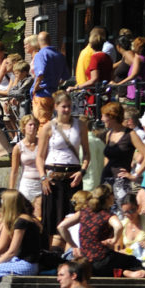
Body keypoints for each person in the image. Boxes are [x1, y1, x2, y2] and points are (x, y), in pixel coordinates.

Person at [36, 90, 91, 242]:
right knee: (51, 219)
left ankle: (70, 249)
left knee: (72, 216)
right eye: (64, 107)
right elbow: (40, 156)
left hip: (73, 175)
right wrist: (42, 177)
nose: (67, 110)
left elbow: (87, 154)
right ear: (56, 107)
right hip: (53, 175)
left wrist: (82, 171)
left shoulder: (80, 125)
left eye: (69, 106)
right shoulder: (48, 127)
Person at [31, 31, 68, 124]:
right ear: (50, 40)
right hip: (54, 94)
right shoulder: (59, 55)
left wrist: (36, 88)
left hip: (42, 95)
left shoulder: (40, 54)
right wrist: (55, 83)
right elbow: (65, 76)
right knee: (52, 123)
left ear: (39, 42)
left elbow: (40, 73)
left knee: (41, 124)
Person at [9, 115, 42, 201]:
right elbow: (14, 170)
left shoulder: (43, 144)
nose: (33, 127)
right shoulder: (18, 147)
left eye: (35, 125)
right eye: (30, 125)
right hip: (27, 183)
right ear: (24, 127)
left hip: (41, 182)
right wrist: (11, 189)